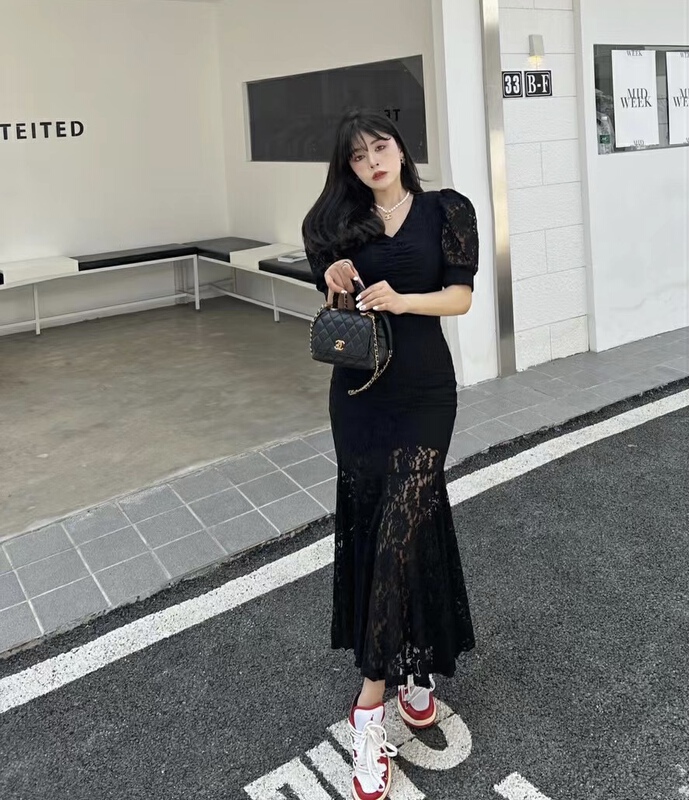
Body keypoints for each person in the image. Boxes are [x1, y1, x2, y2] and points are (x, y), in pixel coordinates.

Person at [302, 109, 477, 800]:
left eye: (380, 146)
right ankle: (412, 665)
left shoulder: (446, 209)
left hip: (426, 392)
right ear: (346, 167)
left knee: (402, 528)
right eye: (357, 155)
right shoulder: (334, 225)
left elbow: (460, 299)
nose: (372, 160)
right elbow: (333, 303)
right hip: (360, 396)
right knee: (389, 528)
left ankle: (368, 706)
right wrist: (335, 276)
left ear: (401, 149)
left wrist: (402, 300)